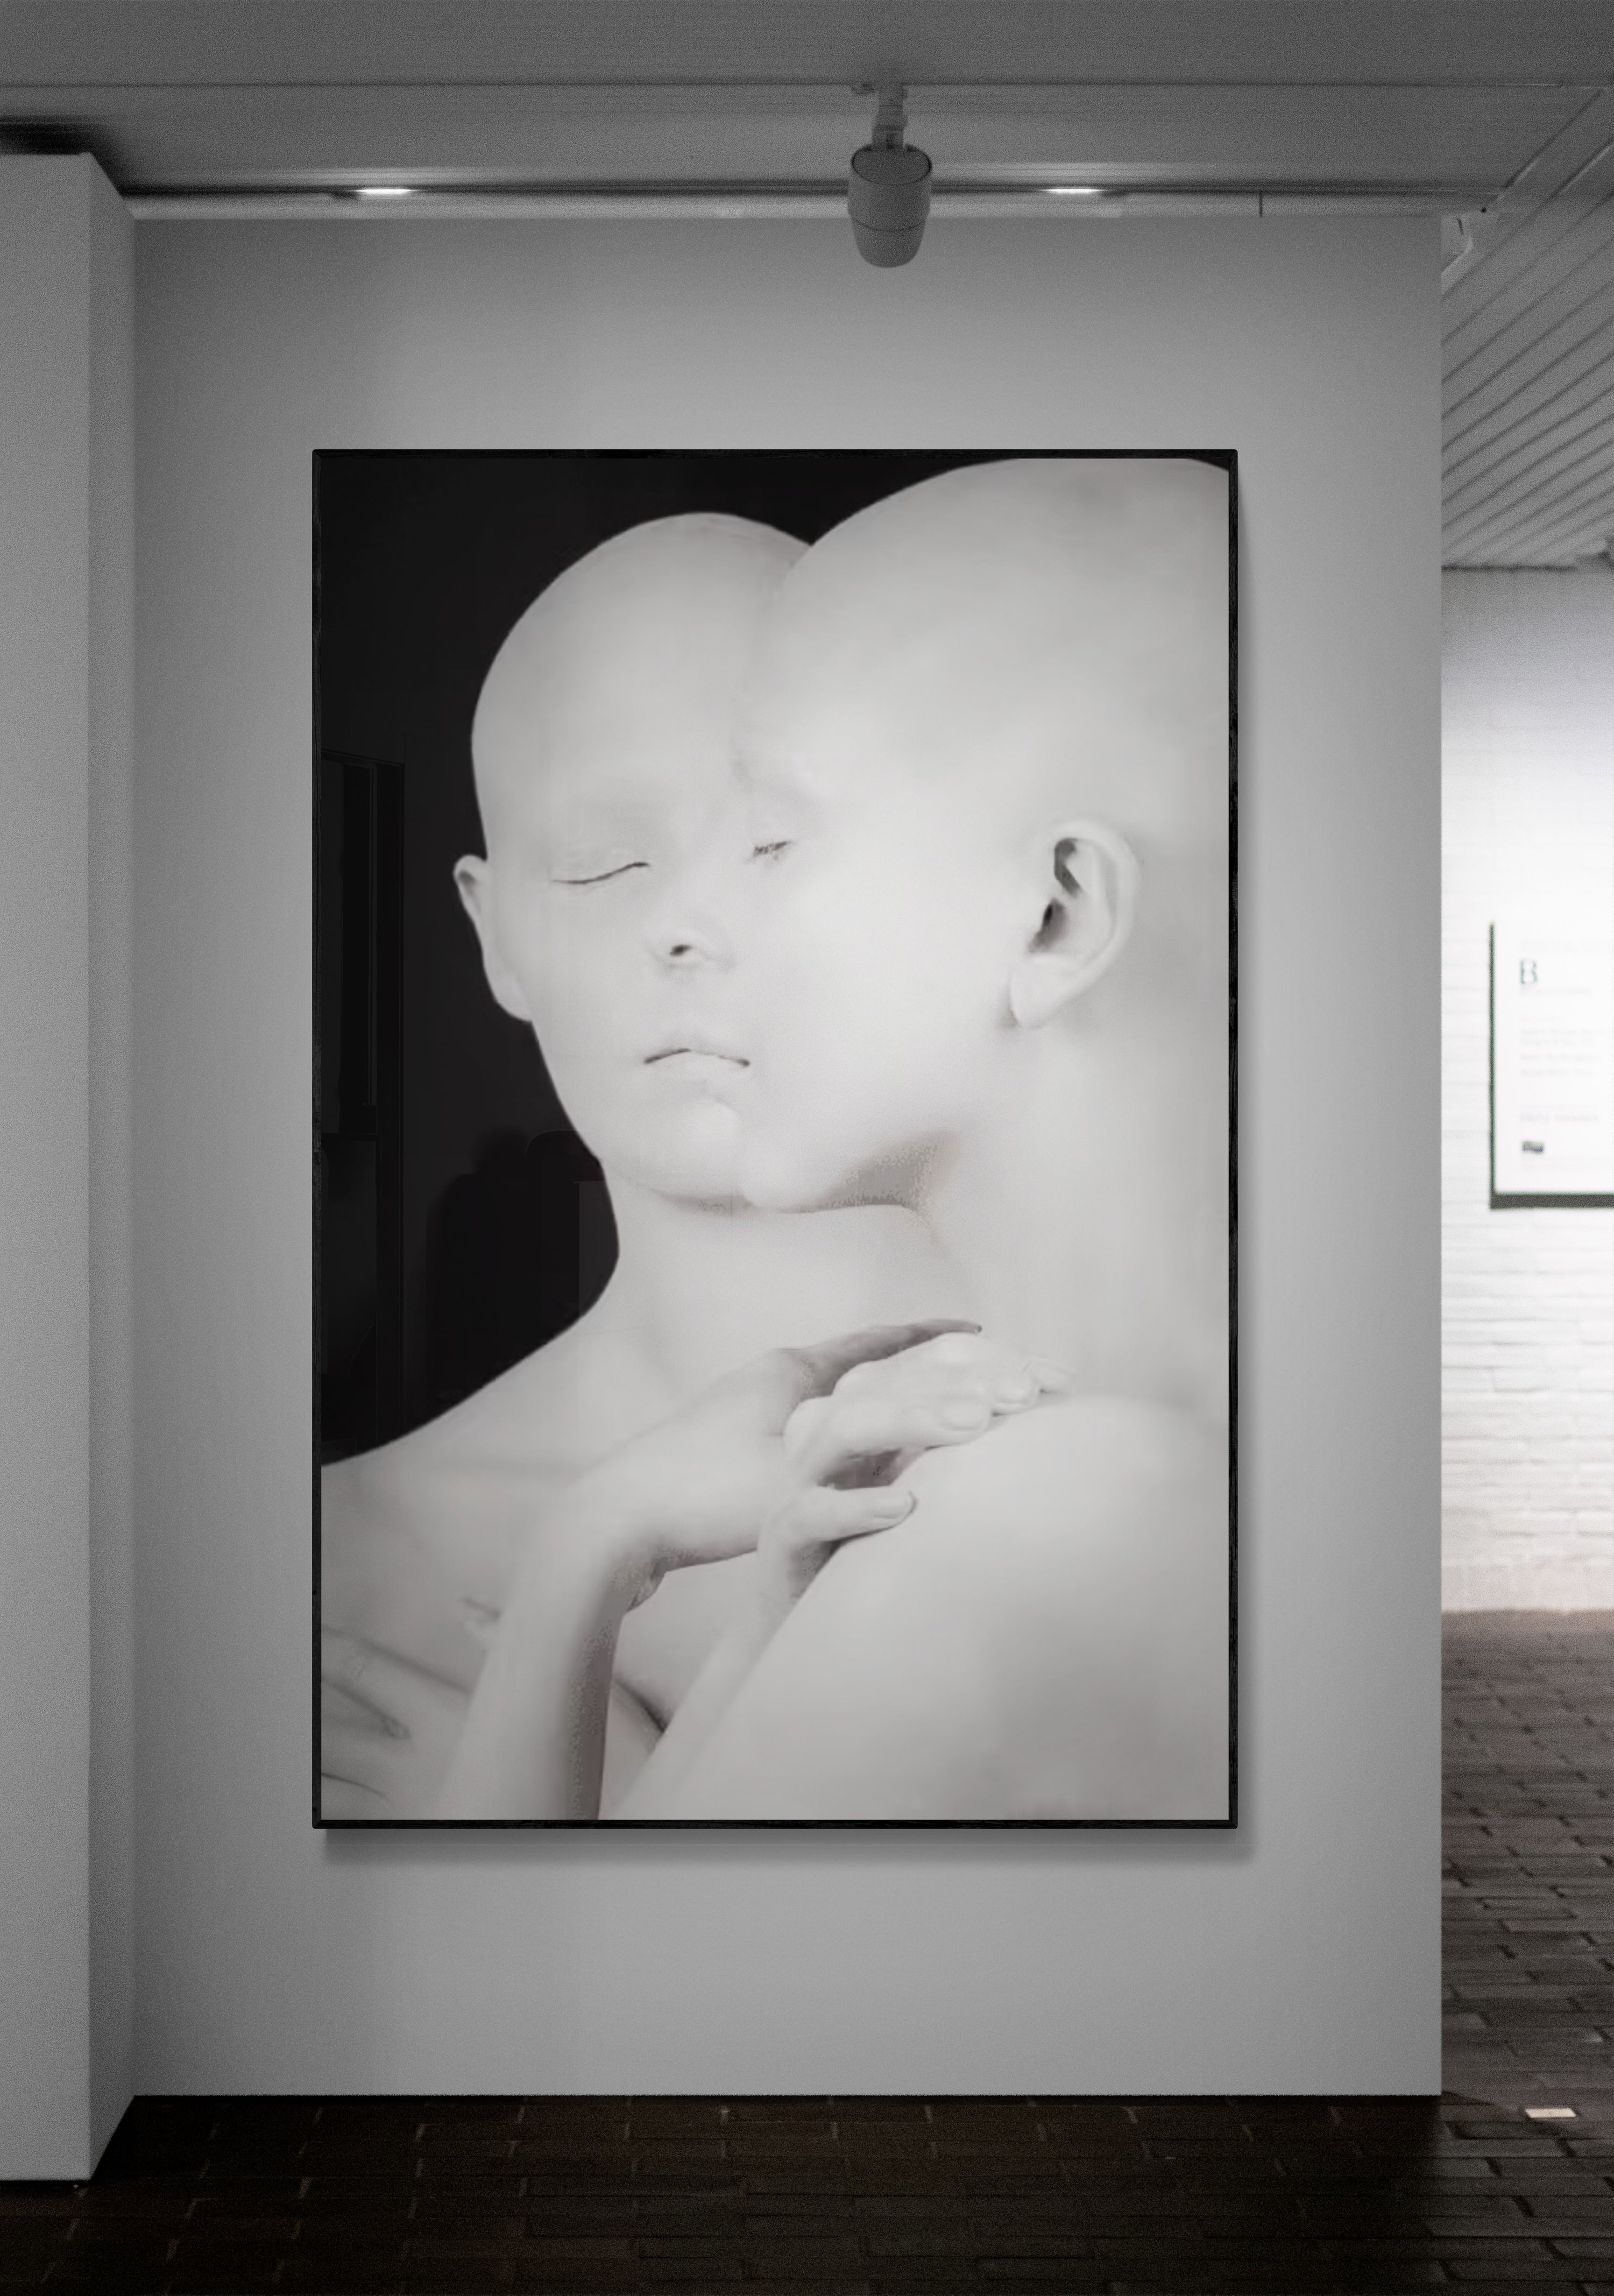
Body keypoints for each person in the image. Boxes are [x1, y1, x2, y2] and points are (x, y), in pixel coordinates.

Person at [320, 511, 1062, 1820]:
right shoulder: (339, 1566)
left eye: (771, 843)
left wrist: (581, 1789)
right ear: (495, 935)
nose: (688, 925)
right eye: (606, 862)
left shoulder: (1146, 1460)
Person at [602, 456, 1234, 1820]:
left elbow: (593, 2008)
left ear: (1058, 917)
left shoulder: (1046, 1525)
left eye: (770, 838)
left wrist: (579, 1586)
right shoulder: (1094, 1482)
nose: (679, 919)